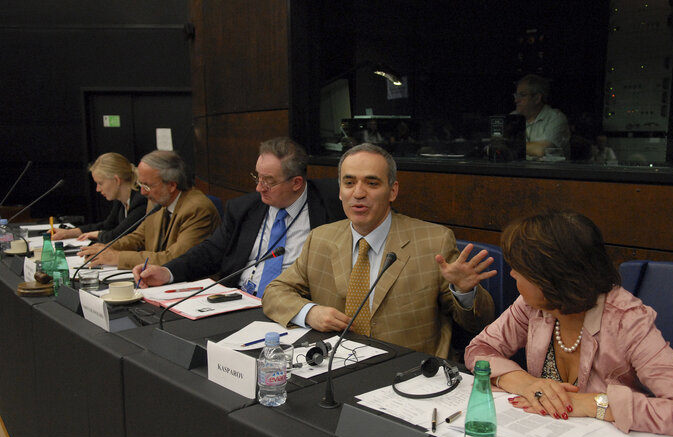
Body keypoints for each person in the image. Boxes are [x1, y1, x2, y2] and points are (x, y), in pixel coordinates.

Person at [464, 210, 673, 437]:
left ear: (550, 278)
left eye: (519, 269)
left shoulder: (627, 322)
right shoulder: (533, 307)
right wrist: (524, 382)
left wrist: (591, 404)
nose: (512, 274)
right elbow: (480, 349)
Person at [262, 143, 495, 357]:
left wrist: (465, 293)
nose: (358, 193)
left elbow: (478, 323)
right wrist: (309, 312)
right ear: (340, 190)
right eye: (349, 183)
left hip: (407, 374)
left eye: (372, 183)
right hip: (334, 366)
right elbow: (275, 292)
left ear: (392, 191)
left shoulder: (434, 242)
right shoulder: (320, 239)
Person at [132, 137, 345, 294]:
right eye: (257, 177)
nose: (259, 188)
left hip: (296, 306)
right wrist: (167, 272)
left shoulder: (331, 202)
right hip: (240, 300)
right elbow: (211, 251)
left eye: (268, 181)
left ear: (297, 183)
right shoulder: (244, 208)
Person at [77, 150, 220, 269]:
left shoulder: (197, 209)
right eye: (140, 184)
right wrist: (105, 248)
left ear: (171, 185)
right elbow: (139, 237)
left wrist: (117, 257)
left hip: (192, 286)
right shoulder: (157, 201)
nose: (143, 192)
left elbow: (175, 258)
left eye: (147, 186)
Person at [52, 153, 148, 243]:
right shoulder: (121, 201)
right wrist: (68, 233)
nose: (97, 189)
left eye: (100, 183)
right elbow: (108, 225)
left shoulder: (141, 200)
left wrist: (98, 235)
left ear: (116, 180)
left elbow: (118, 235)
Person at [513, 74, 570, 159]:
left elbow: (541, 150)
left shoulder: (555, 118)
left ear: (537, 98)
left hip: (549, 171)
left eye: (522, 95)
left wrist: (511, 146)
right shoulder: (513, 117)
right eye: (516, 95)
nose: (516, 100)